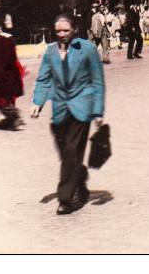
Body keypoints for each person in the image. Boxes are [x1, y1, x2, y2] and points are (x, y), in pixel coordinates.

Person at [30, 15, 105, 215]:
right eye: (58, 31)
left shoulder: (87, 49)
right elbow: (43, 79)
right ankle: (79, 180)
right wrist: (38, 102)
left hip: (82, 107)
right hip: (60, 109)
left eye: (66, 30)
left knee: (71, 152)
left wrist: (98, 111)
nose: (62, 34)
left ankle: (65, 199)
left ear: (75, 30)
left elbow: (97, 80)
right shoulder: (50, 51)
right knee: (65, 153)